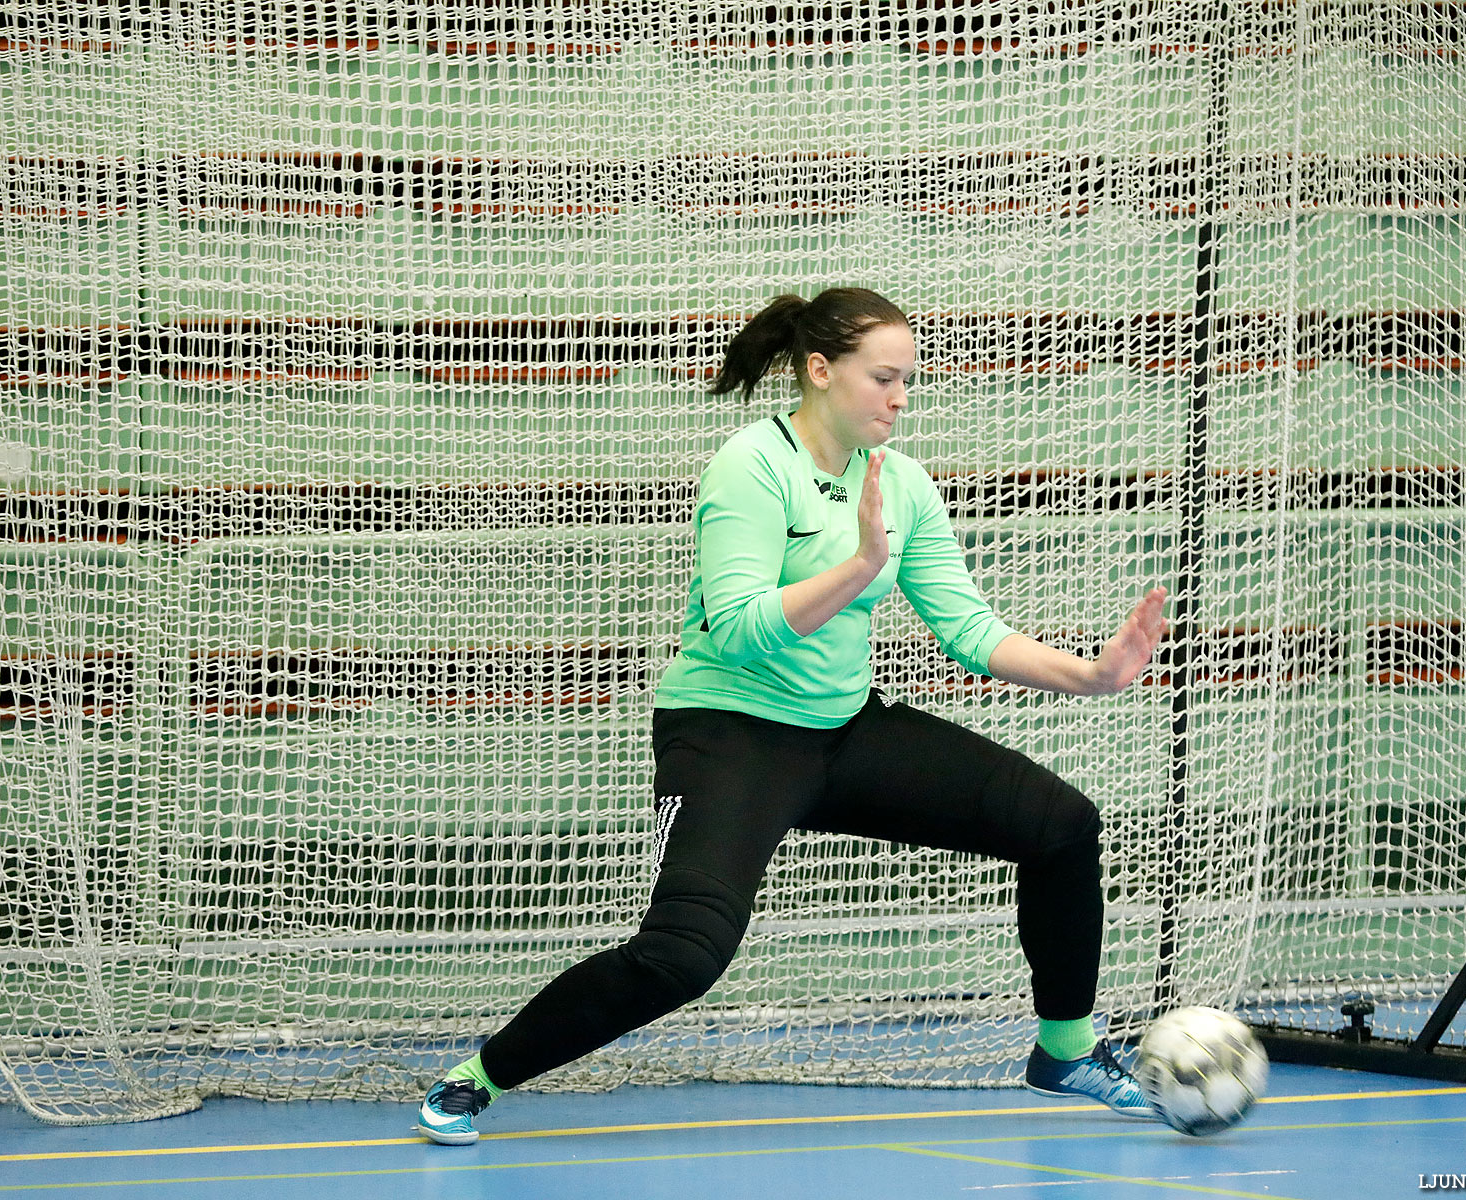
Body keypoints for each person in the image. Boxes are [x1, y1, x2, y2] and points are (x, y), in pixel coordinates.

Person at [416, 287, 1170, 1145]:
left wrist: (1095, 675)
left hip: (844, 732)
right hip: (730, 733)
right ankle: (477, 1077)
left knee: (1063, 825)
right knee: (684, 955)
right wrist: (858, 566)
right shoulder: (751, 465)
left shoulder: (903, 485)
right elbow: (738, 631)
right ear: (820, 370)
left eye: (908, 380)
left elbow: (969, 629)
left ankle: (1064, 1053)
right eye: (883, 377)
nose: (900, 397)